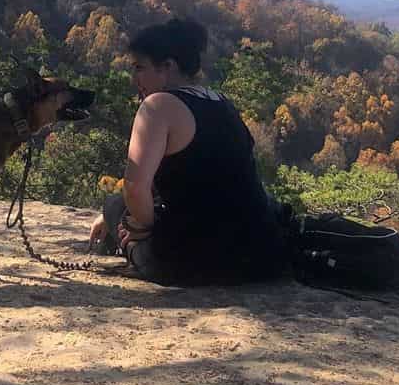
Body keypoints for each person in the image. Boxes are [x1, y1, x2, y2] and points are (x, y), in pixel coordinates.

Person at [90, 18, 289, 286]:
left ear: (168, 67)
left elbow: (135, 188)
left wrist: (139, 227)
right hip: (263, 257)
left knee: (114, 205)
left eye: (140, 68)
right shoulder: (222, 103)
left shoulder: (158, 106)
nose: (134, 78)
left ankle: (133, 246)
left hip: (195, 262)